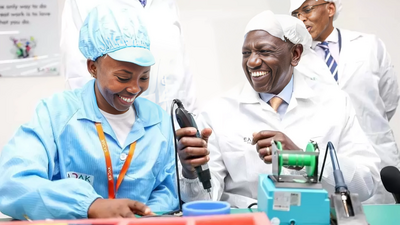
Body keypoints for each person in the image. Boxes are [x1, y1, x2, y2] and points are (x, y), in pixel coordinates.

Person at [176, 11, 381, 208]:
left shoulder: (335, 103)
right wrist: (191, 174)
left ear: (295, 54)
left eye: (265, 52)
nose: (253, 62)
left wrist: (306, 160)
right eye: (246, 53)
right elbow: (203, 201)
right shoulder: (218, 112)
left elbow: (366, 184)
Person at [0, 4, 178, 220]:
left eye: (144, 77)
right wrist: (88, 205)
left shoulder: (159, 122)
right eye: (122, 77)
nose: (134, 88)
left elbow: (168, 190)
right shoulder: (55, 113)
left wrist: (146, 215)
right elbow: (12, 183)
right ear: (93, 67)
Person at [290, 0, 400, 204]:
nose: (301, 18)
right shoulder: (296, 57)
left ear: (330, 9)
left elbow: (390, 98)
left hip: (376, 149)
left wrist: (365, 120)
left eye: (306, 10)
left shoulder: (369, 45)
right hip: (332, 162)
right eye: (295, 14)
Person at [60, 0, 197, 114]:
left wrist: (193, 121)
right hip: (117, 134)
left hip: (174, 132)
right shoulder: (82, 3)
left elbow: (182, 69)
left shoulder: (167, 4)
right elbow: (78, 75)